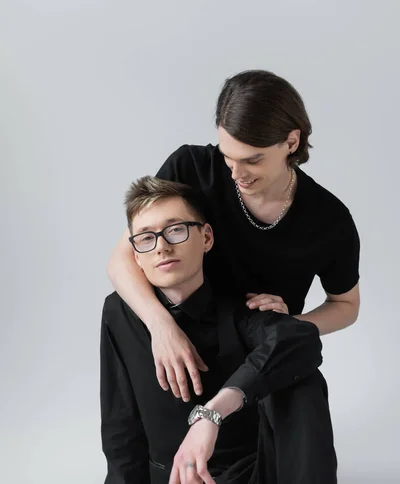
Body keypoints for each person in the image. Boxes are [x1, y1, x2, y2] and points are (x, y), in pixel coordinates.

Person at [53, 177, 400, 484]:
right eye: (146, 238)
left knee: (298, 376)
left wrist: (211, 414)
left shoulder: (242, 309)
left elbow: (301, 343)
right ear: (135, 254)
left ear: (207, 237)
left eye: (176, 230)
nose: (161, 246)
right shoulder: (120, 315)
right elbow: (120, 415)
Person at [106, 69, 361, 406]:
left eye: (252, 160)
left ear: (291, 142)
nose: (236, 174)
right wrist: (162, 327)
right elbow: (122, 259)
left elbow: (345, 306)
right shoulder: (191, 168)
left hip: (256, 357)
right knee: (116, 310)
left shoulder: (329, 219)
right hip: (182, 340)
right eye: (228, 157)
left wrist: (289, 325)